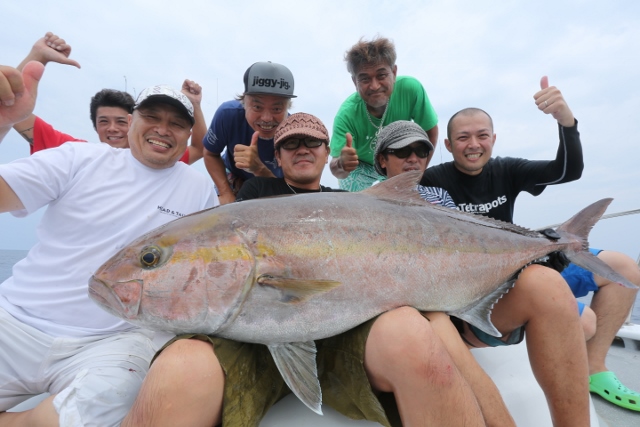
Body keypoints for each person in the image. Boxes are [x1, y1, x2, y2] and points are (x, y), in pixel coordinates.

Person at [122, 113, 506, 427]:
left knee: (417, 331)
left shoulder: (355, 205)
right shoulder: (255, 196)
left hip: (345, 335)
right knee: (177, 370)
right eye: (291, 143)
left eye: (313, 143)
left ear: (327, 154)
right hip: (248, 339)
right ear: (278, 154)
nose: (302, 149)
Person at [0, 61, 218, 426]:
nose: (163, 130)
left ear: (188, 134)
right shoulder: (78, 158)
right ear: (132, 120)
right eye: (152, 116)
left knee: (109, 400)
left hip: (111, 342)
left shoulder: (198, 190)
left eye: (177, 123)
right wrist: (3, 122)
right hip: (14, 322)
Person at [421, 77, 640, 412]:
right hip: (495, 281)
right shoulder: (433, 181)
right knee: (585, 323)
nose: (473, 144)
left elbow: (567, 170)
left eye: (482, 135)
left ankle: (595, 368)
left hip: (527, 260)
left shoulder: (507, 169)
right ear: (448, 145)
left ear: (493, 139)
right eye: (463, 137)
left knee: (625, 268)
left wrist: (567, 123)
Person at [375, 119, 595, 425]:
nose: (413, 158)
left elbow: (466, 247)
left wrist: (535, 252)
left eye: (421, 151)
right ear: (382, 160)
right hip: (422, 313)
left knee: (551, 286)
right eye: (402, 152)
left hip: (461, 302)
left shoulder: (440, 197)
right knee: (436, 323)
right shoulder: (366, 203)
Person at [9, 32, 205, 164]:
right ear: (95, 126)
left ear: (133, 121)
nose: (112, 128)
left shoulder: (157, 157)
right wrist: (37, 55)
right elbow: (11, 110)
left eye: (120, 121)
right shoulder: (76, 155)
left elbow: (200, 148)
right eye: (103, 121)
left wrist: (194, 104)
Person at [329, 36, 439, 192]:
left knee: (405, 198)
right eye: (365, 79)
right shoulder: (346, 114)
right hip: (361, 166)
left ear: (394, 73)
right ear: (355, 82)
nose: (374, 86)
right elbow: (336, 169)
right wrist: (342, 164)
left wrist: (417, 176)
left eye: (381, 75)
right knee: (353, 204)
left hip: (396, 157)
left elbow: (431, 132)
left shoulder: (411, 89)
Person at [202, 61, 295, 205]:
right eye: (257, 107)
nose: (266, 118)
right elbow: (210, 153)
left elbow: (289, 192)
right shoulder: (227, 115)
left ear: (288, 107)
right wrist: (225, 192)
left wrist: (258, 168)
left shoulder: (294, 133)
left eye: (277, 109)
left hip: (274, 187)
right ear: (244, 102)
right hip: (232, 178)